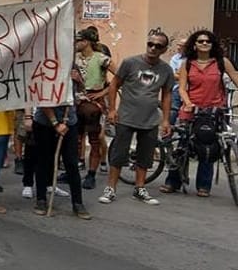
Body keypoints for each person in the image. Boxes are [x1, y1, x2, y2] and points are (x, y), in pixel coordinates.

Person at [98, 29, 174, 206]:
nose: (153, 48)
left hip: (150, 119)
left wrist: (165, 119)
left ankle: (140, 188)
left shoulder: (166, 70)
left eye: (158, 46)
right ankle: (111, 188)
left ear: (164, 49)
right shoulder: (130, 63)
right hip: (126, 116)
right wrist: (112, 109)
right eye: (150, 44)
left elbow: (167, 95)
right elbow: (114, 84)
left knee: (145, 156)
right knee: (118, 154)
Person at [162, 29, 238, 196]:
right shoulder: (187, 63)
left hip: (214, 111)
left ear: (212, 44)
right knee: (182, 146)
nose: (204, 43)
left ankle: (204, 186)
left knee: (208, 147)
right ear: (194, 45)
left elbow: (235, 78)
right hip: (191, 109)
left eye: (208, 41)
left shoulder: (221, 62)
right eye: (200, 41)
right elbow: (182, 89)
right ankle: (172, 182)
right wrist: (188, 103)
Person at [30, 105, 91, 219]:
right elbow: (43, 101)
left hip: (69, 122)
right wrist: (55, 123)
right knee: (44, 161)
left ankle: (77, 203)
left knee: (72, 163)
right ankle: (41, 199)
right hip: (45, 123)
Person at [73, 28, 113, 190]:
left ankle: (91, 174)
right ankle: (73, 171)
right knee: (75, 139)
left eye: (79, 40)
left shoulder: (101, 58)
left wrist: (103, 92)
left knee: (94, 140)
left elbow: (119, 76)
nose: (76, 43)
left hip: (92, 103)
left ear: (87, 42)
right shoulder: (74, 58)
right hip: (75, 101)